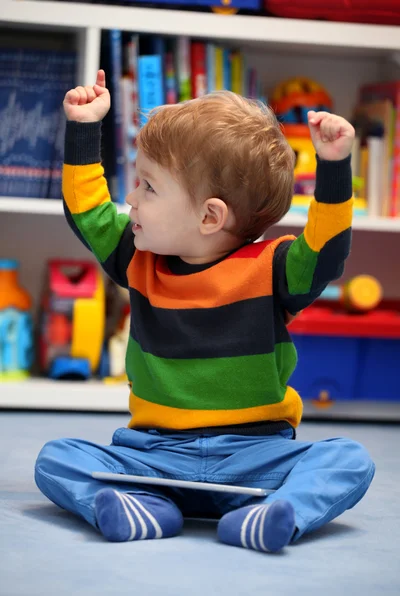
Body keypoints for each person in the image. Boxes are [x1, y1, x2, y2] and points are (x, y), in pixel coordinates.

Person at [35, 69, 375, 553]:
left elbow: (325, 251)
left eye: (148, 188)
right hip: (153, 457)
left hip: (256, 457)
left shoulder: (273, 268)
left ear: (210, 216)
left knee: (349, 459)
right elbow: (87, 208)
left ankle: (273, 516)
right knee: (55, 458)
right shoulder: (138, 257)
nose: (129, 199)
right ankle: (145, 510)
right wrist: (85, 127)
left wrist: (334, 166)